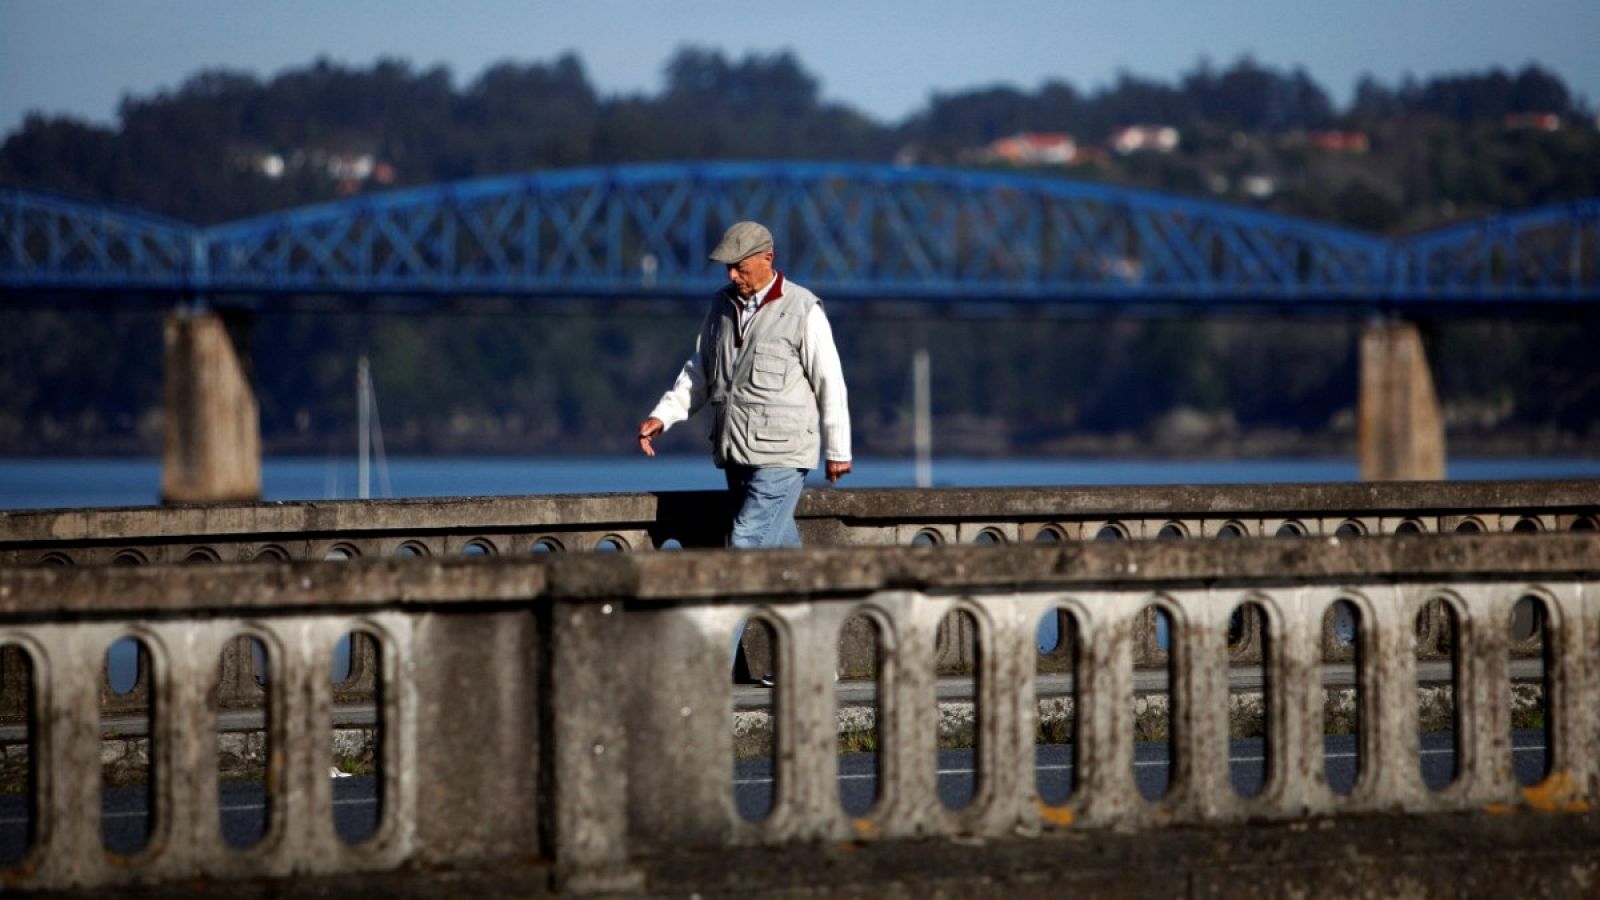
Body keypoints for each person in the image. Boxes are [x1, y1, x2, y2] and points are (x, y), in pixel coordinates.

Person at [637, 221, 852, 680]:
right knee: (781, 566)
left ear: (767, 259)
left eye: (739, 266)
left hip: (783, 455)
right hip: (736, 452)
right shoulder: (720, 307)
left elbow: (829, 381)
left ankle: (710, 670)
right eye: (728, 267)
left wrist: (838, 449)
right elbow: (699, 370)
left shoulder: (803, 309)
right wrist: (664, 415)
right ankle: (816, 664)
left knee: (743, 549)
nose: (732, 274)